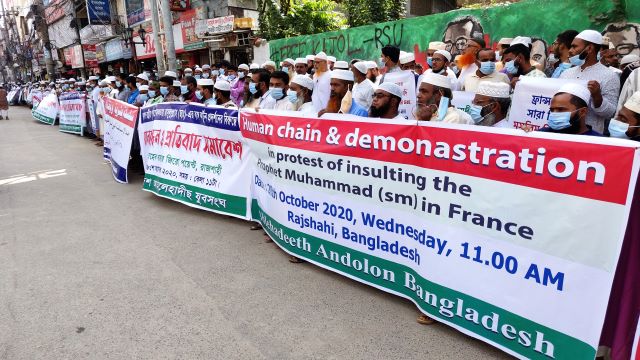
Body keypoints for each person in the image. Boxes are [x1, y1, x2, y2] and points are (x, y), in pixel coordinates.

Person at [560, 29, 620, 134]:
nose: (570, 50)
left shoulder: (610, 76)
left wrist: (597, 96)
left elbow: (610, 113)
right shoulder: (566, 73)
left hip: (589, 136)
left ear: (589, 48)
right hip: (561, 131)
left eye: (574, 46)